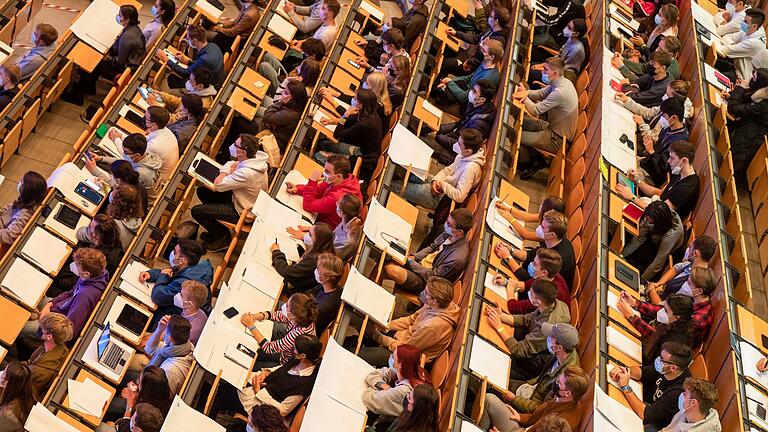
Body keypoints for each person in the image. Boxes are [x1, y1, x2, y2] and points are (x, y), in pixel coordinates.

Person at [191, 134, 269, 251]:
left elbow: (219, 186)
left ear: (242, 152)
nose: (232, 146)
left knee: (197, 211)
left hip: (243, 211)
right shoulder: (254, 158)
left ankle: (222, 238)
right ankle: (216, 230)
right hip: (239, 198)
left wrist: (226, 173)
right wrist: (224, 173)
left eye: (235, 145)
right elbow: (230, 164)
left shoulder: (247, 173)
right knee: (203, 191)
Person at [361, 276, 460, 368]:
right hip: (403, 338)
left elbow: (404, 349)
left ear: (434, 300)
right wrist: (385, 325)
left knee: (359, 352)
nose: (423, 295)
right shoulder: (438, 304)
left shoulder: (432, 328)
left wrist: (377, 336)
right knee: (366, 319)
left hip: (405, 358)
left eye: (426, 293)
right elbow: (411, 319)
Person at [484, 279, 571, 380]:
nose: (528, 293)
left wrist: (499, 327)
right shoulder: (554, 304)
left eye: (531, 293)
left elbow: (519, 350)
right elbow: (527, 319)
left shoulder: (546, 327)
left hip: (532, 362)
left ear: (537, 302)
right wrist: (501, 316)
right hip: (528, 343)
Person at [63, 5, 146, 105]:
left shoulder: (128, 37)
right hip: (127, 63)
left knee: (93, 62)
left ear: (127, 19)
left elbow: (120, 61)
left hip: (123, 70)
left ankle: (78, 96)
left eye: (120, 15)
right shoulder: (134, 29)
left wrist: (108, 58)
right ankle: (89, 87)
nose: (118, 17)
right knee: (97, 59)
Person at [513, 58, 578, 179]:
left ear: (554, 73)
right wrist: (526, 93)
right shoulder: (561, 82)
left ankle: (529, 163)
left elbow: (535, 110)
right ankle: (535, 158)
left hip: (556, 139)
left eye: (545, 69)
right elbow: (541, 93)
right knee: (523, 122)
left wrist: (524, 96)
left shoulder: (560, 92)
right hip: (552, 127)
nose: (542, 71)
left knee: (516, 135)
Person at [23, 248, 108, 341]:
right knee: (31, 298)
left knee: (22, 327)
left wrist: (45, 323)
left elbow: (69, 331)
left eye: (76, 266)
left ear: (86, 274)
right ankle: (34, 313)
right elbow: (71, 293)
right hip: (59, 308)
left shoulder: (84, 297)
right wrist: (49, 304)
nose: (74, 267)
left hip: (55, 325)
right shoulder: (95, 275)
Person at [382, 208, 473, 294]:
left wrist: (411, 262)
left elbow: (432, 276)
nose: (445, 224)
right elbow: (431, 247)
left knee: (391, 269)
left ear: (460, 232)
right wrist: (415, 256)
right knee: (388, 253)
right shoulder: (450, 233)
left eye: (449, 224)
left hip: (426, 283)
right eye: (447, 221)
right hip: (420, 264)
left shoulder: (457, 259)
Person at [623, 267, 715, 349]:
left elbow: (661, 339)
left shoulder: (698, 321)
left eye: (689, 283)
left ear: (699, 291)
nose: (685, 283)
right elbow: (664, 310)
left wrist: (633, 318)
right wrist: (635, 303)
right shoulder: (695, 300)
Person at [609, 341, 692, 431]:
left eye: (662, 359)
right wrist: (625, 371)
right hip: (648, 406)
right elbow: (644, 373)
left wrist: (625, 387)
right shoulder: (666, 369)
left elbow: (646, 415)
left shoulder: (678, 392)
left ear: (673, 368)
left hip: (654, 424)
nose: (658, 360)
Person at [500, 323, 580, 414]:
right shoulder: (566, 352)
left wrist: (513, 399)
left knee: (495, 386)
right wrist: (529, 383)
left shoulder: (563, 381)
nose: (548, 338)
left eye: (551, 337)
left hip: (531, 402)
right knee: (500, 375)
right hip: (534, 387)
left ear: (559, 347)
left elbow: (540, 409)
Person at [480, 366, 590, 432]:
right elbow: (536, 417)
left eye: (559, 383)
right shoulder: (564, 399)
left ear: (568, 393)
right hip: (528, 427)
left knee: (489, 399)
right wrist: (521, 417)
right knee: (489, 398)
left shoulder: (563, 423)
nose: (555, 383)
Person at [399, 128, 486, 209]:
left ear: (468, 151)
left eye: (459, 144)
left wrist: (443, 185)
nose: (456, 145)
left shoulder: (470, 170)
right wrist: (436, 180)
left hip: (443, 198)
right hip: (442, 185)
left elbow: (459, 196)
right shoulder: (463, 155)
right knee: (409, 173)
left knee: (396, 186)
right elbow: (447, 170)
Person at [237, 334, 320, 418]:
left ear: (303, 356)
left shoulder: (303, 385)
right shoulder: (298, 360)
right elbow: (283, 367)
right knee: (238, 371)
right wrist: (266, 372)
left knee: (229, 387)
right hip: (262, 386)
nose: (292, 347)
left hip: (262, 404)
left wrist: (258, 392)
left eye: (294, 347)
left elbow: (283, 411)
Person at [617, 141, 700, 221]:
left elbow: (657, 213)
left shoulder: (686, 189)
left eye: (672, 158)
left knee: (618, 209)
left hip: (654, 221)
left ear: (684, 161)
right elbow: (660, 193)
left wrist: (632, 197)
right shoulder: (680, 172)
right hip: (652, 207)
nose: (668, 161)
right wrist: (637, 181)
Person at [316, 88, 383, 183]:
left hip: (361, 159)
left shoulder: (365, 123)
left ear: (361, 104)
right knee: (323, 144)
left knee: (319, 155)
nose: (353, 100)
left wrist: (346, 114)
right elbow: (350, 120)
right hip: (365, 152)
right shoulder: (371, 114)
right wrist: (331, 121)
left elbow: (337, 134)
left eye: (355, 99)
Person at [494, 210, 576, 287]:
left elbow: (531, 282)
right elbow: (531, 255)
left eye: (543, 227)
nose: (539, 227)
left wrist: (508, 258)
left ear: (551, 235)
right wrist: (511, 250)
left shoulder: (556, 257)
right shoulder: (553, 240)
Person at [425, 80, 495, 166]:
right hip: (456, 134)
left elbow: (460, 147)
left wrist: (440, 137)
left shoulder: (479, 125)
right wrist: (440, 128)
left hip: (454, 153)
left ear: (482, 99)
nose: (471, 92)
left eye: (474, 92)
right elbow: (461, 124)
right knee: (430, 124)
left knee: (422, 141)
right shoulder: (478, 106)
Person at [285, 155, 363, 229]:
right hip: (321, 217)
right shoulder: (342, 179)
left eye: (327, 171)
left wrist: (312, 181)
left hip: (325, 228)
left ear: (338, 176)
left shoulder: (338, 198)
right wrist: (298, 189)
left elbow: (308, 205)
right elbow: (319, 190)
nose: (323, 173)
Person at [240, 292, 318, 366]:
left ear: (292, 315)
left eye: (287, 306)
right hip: (284, 347)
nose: (284, 306)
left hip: (284, 359)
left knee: (250, 355)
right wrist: (254, 316)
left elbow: (269, 348)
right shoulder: (303, 318)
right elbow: (278, 315)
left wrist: (251, 326)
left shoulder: (297, 335)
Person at [52, 216, 122, 294]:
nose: (87, 230)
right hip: (80, 273)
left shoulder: (102, 259)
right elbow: (80, 233)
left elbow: (84, 281)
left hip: (83, 284)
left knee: (54, 281)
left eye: (90, 230)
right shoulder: (110, 238)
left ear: (97, 236)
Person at [108, 106, 179, 182]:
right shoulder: (166, 131)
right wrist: (121, 137)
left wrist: (116, 139)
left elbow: (129, 156)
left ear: (154, 124)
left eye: (146, 118)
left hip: (158, 179)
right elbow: (138, 143)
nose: (144, 118)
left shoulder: (154, 146)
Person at [141, 239, 213, 313]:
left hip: (180, 318)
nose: (172, 253)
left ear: (181, 260)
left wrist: (163, 276)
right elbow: (169, 272)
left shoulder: (184, 283)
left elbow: (157, 296)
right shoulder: (194, 267)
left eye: (175, 252)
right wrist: (151, 274)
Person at [620, 293, 694, 365]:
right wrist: (634, 303)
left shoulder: (676, 342)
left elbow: (655, 340)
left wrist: (632, 317)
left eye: (665, 310)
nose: (662, 311)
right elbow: (655, 333)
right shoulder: (675, 322)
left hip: (645, 362)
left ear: (677, 317)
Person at [622, 200, 685, 282]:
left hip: (664, 251)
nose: (647, 222)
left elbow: (657, 264)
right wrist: (621, 255)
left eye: (650, 221)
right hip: (654, 238)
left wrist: (640, 281)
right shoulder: (653, 213)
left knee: (638, 263)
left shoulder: (671, 235)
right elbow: (639, 238)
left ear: (658, 222)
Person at [441, 5, 510, 78]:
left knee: (444, 63)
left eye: (491, 16)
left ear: (496, 21)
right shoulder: (491, 29)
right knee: (446, 49)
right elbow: (475, 38)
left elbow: (483, 59)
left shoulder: (497, 41)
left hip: (469, 65)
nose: (488, 17)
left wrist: (469, 62)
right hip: (468, 54)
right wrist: (456, 33)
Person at [646, 235, 717, 305]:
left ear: (695, 253)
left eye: (690, 247)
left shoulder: (693, 284)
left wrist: (651, 288)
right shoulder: (691, 264)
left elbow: (664, 308)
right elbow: (675, 268)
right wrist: (660, 283)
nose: (688, 249)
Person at [362, 344, 431, 417]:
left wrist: (374, 386)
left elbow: (368, 399)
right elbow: (376, 374)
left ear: (401, 365)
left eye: (393, 358)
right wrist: (382, 385)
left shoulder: (404, 390)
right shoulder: (411, 370)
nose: (390, 358)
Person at [87, 133, 162, 199]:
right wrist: (101, 158)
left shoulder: (140, 174)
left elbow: (118, 187)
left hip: (140, 204)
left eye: (126, 152)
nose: (123, 154)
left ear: (137, 155)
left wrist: (94, 171)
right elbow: (125, 162)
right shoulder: (145, 155)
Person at [616, 79, 691, 145]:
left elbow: (654, 140)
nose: (664, 96)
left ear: (675, 100)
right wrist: (627, 101)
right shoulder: (669, 105)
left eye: (667, 95)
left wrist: (642, 124)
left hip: (645, 143)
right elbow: (649, 113)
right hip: (644, 133)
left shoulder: (672, 119)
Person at [497, 248, 570, 315]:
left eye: (534, 264)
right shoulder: (548, 276)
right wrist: (506, 282)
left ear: (544, 272)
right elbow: (525, 285)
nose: (531, 264)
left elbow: (514, 308)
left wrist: (510, 288)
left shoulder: (546, 293)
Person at [637, 97, 689, 188]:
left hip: (650, 175)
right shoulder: (669, 128)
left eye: (664, 116)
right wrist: (650, 143)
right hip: (646, 162)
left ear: (673, 117)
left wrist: (651, 151)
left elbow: (663, 170)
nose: (662, 118)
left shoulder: (678, 144)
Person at [724, 68, 768, 173]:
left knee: (726, 167)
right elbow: (745, 104)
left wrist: (740, 87)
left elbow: (734, 109)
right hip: (745, 130)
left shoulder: (764, 105)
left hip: (747, 142)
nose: (750, 79)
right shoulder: (762, 95)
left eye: (753, 78)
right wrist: (732, 96)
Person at [436, 39, 502, 108]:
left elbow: (464, 98)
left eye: (483, 51)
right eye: (481, 48)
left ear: (491, 57)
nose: (480, 52)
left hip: (466, 104)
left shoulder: (487, 78)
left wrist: (449, 82)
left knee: (438, 94)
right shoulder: (485, 63)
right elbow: (468, 77)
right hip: (465, 89)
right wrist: (449, 81)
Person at [155, 24, 224, 88]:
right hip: (217, 77)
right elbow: (203, 65)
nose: (187, 40)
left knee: (172, 79)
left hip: (212, 85)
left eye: (188, 39)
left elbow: (185, 73)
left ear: (195, 40)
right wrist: (188, 61)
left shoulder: (205, 59)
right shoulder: (213, 46)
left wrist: (166, 59)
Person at [272, 223, 335, 293]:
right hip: (297, 276)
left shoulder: (314, 260)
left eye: (310, 235)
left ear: (318, 241)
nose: (306, 235)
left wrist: (276, 252)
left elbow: (287, 272)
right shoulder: (325, 249)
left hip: (293, 287)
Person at [78, 186, 144, 249]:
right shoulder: (137, 218)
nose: (111, 194)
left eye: (114, 196)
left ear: (118, 204)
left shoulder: (112, 226)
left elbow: (85, 235)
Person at [24, 313, 72, 400]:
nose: (40, 330)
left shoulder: (40, 372)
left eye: (42, 330)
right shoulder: (63, 350)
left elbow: (23, 391)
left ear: (49, 336)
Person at [143, 315, 194, 394]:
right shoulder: (185, 346)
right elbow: (149, 349)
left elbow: (155, 397)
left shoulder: (169, 371)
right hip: (149, 382)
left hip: (149, 392)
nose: (163, 334)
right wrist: (159, 329)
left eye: (165, 331)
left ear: (170, 338)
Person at [108, 366, 173, 423]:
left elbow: (124, 426)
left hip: (132, 411)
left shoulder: (147, 412)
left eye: (140, 382)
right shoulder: (161, 391)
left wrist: (129, 400)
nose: (137, 382)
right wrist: (136, 392)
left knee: (110, 403)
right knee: (125, 374)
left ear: (146, 390)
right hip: (140, 399)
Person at [717, 9, 767, 80]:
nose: (742, 22)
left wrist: (731, 46)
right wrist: (733, 45)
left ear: (754, 26)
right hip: (735, 66)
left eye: (745, 21)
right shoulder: (752, 29)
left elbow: (725, 50)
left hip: (741, 79)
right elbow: (726, 37)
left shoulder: (754, 43)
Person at [261, 79, 309, 151]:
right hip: (273, 119)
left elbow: (267, 116)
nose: (283, 93)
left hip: (273, 137)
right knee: (262, 98)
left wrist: (280, 102)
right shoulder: (296, 106)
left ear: (293, 98)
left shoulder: (291, 115)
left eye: (286, 93)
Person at [0, 171, 46, 246]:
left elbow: (9, 236)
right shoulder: (26, 200)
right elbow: (8, 209)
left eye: (21, 182)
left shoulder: (25, 214)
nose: (19, 183)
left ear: (27, 189)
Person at [150, 68, 217, 120]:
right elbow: (179, 101)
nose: (188, 82)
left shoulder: (197, 105)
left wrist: (156, 106)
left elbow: (173, 120)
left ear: (200, 86)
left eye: (191, 81)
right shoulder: (198, 93)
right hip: (172, 116)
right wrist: (160, 95)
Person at [495, 196, 566, 242]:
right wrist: (508, 208)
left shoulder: (549, 232)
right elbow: (527, 216)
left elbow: (526, 234)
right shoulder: (550, 217)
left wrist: (510, 218)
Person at [372, 384, 439, 432]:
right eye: (409, 394)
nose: (407, 397)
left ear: (416, 407)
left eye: (409, 398)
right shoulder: (411, 414)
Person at [614, 35, 682, 81]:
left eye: (660, 49)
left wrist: (622, 67)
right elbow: (643, 67)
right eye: (658, 46)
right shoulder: (662, 58)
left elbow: (643, 83)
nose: (656, 50)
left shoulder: (668, 72)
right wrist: (622, 60)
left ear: (670, 54)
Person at [308, 253, 344, 333]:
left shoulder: (323, 308)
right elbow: (308, 293)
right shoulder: (325, 286)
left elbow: (306, 323)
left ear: (327, 277)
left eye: (318, 270)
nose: (316, 271)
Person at [0, 363, 34, 432]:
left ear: (7, 383)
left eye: (4, 373)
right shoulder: (27, 394)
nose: (1, 373)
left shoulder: (7, 415)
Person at [174, 280, 208, 345]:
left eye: (181, 295)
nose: (178, 296)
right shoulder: (200, 313)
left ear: (189, 304)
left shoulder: (187, 331)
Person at [332, 193, 362, 261]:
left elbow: (329, 258)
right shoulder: (349, 220)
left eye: (338, 203)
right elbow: (332, 235)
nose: (336, 203)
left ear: (340, 212)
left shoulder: (346, 241)